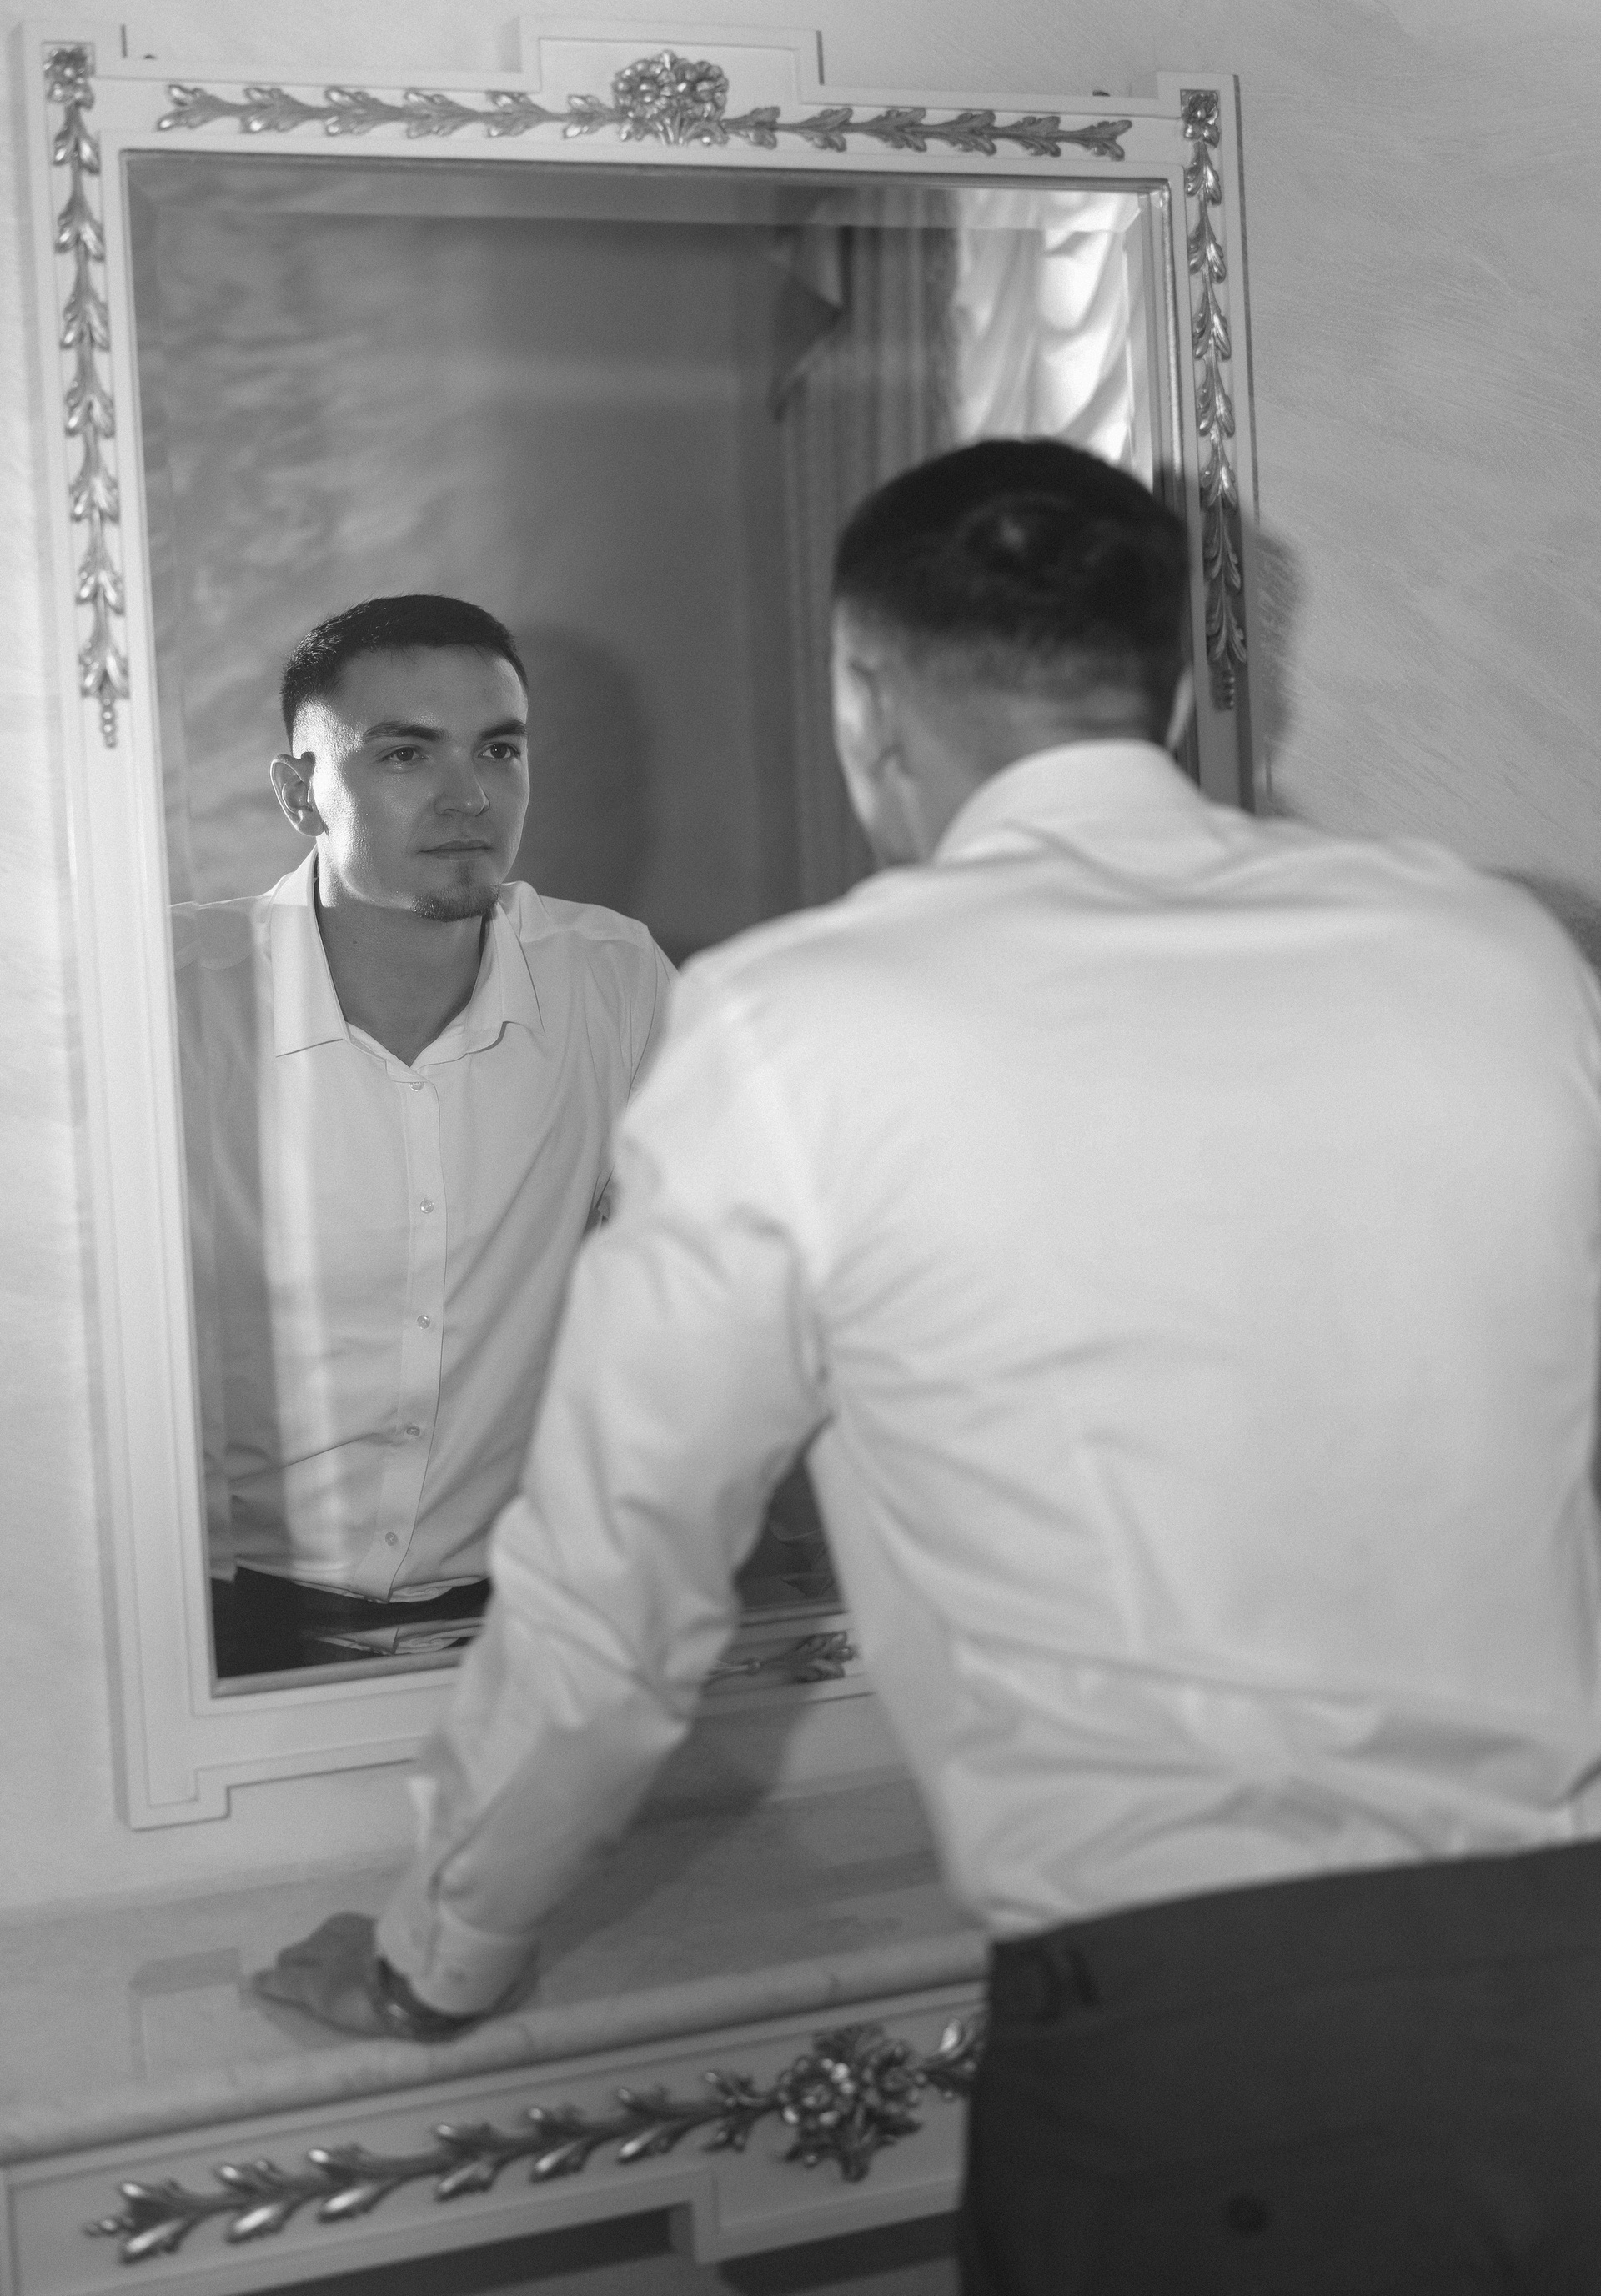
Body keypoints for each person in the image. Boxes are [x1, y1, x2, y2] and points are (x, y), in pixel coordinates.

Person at [260, 449, 1601, 2288]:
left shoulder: (800, 1026)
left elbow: (614, 1592)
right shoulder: (1498, 955)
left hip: (1209, 2053)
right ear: (1176, 691)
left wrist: (437, 1956)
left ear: (864, 706)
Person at [178, 594, 672, 1677]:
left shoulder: (612, 978)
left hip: (521, 1619)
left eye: (500, 749)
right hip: (209, 1629)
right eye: (405, 754)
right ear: (300, 793)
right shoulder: (171, 998)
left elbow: (698, 1301)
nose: (469, 795)